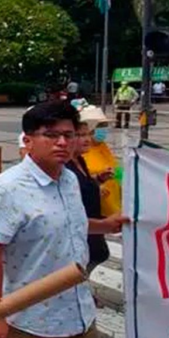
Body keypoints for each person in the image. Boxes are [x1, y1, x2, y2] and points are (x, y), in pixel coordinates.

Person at [0, 101, 128, 338]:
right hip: (29, 317)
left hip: (78, 313)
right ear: (28, 140)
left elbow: (72, 223)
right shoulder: (7, 189)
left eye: (69, 135)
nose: (62, 142)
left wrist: (105, 226)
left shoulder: (69, 179)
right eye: (51, 135)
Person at [67, 106, 113, 274]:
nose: (87, 139)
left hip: (91, 223)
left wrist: (99, 179)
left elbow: (84, 183)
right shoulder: (64, 166)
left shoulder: (80, 160)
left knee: (97, 255)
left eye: (88, 134)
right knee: (89, 258)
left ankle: (80, 286)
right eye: (80, 135)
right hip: (82, 227)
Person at [81, 110, 122, 217]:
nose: (104, 129)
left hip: (113, 206)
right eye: (101, 125)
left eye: (106, 125)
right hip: (95, 209)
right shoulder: (80, 151)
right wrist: (96, 186)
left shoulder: (102, 146)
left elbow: (114, 167)